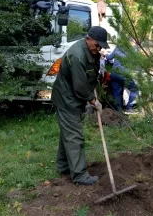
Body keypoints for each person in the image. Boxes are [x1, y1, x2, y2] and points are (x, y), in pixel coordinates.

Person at [51, 26, 109, 185]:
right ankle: (79, 175)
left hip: (73, 98)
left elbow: (90, 74)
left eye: (101, 46)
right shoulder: (77, 56)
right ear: (88, 38)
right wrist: (93, 101)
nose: (98, 49)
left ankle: (64, 166)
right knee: (74, 136)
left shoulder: (91, 52)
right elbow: (80, 86)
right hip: (67, 100)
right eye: (97, 45)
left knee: (68, 133)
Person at [101, 40, 139, 114]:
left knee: (116, 93)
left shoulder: (117, 48)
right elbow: (136, 60)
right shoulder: (131, 50)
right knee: (134, 89)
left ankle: (119, 111)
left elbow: (109, 58)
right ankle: (129, 108)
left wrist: (104, 53)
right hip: (124, 75)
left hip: (114, 74)